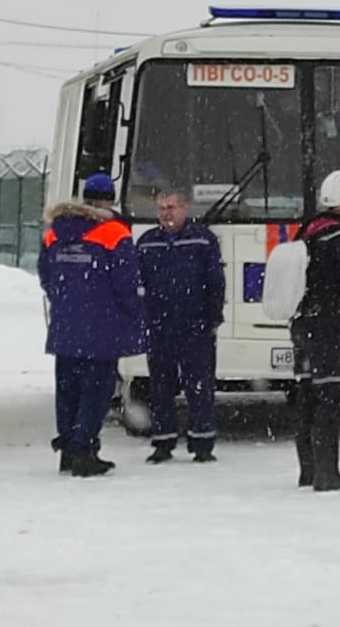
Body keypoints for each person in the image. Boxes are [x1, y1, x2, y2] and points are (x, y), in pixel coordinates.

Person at [38, 174, 146, 477]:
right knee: (95, 391)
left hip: (65, 326)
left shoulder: (54, 232)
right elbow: (127, 284)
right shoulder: (113, 232)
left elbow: (46, 276)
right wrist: (134, 312)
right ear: (111, 199)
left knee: (67, 389)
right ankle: (85, 450)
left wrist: (67, 301)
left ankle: (68, 451)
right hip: (102, 328)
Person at [289, 169, 340, 492]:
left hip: (301, 323)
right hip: (326, 324)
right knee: (333, 395)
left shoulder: (306, 232)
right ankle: (327, 474)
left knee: (308, 395)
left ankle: (308, 471)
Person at [137, 189, 226, 464]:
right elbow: (137, 283)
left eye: (172, 207)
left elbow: (215, 282)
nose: (167, 213)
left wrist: (213, 317)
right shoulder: (147, 242)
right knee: (161, 388)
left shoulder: (202, 239)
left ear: (184, 208)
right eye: (162, 208)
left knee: (199, 387)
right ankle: (163, 443)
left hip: (195, 326)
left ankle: (202, 444)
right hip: (160, 327)